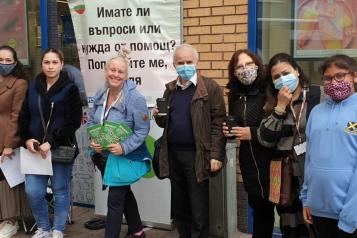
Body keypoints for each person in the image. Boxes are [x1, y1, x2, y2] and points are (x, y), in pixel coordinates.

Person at [154, 44, 226, 238]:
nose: (185, 65)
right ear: (174, 64)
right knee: (180, 209)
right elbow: (165, 123)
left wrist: (216, 154)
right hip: (173, 155)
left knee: (198, 210)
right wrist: (158, 116)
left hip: (198, 156)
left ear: (196, 62)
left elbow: (218, 123)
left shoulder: (210, 88)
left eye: (189, 62)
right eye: (180, 62)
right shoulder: (170, 90)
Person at [18, 48, 82, 238]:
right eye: (47, 62)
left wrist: (52, 142)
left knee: (60, 191)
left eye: (55, 62)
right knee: (33, 191)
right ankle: (44, 228)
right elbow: (24, 115)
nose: (51, 66)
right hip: (34, 150)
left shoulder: (70, 88)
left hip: (60, 148)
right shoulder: (33, 87)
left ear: (62, 64)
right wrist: (26, 138)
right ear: (42, 64)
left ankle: (58, 230)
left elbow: (74, 121)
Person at [257, 53, 322, 238]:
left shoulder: (318, 95)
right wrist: (280, 107)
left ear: (297, 72)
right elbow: (265, 139)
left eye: (286, 73)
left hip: (312, 170)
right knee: (291, 226)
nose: (282, 79)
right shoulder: (271, 101)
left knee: (316, 222)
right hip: (285, 173)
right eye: (276, 76)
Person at [87, 51, 150, 238]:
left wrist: (124, 147)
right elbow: (91, 121)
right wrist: (94, 140)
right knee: (123, 193)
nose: (115, 74)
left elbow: (142, 130)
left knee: (115, 201)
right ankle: (138, 231)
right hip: (105, 157)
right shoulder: (101, 93)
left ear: (126, 75)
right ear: (106, 71)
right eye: (112, 70)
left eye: (120, 71)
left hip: (125, 157)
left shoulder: (134, 98)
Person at [300, 54, 357, 238]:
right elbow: (310, 159)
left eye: (340, 76)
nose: (333, 82)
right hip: (319, 210)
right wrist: (306, 200)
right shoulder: (316, 112)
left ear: (354, 77)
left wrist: (350, 216)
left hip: (351, 214)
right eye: (327, 78)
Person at [222, 49, 275, 238]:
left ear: (257, 65)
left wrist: (252, 132)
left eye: (249, 64)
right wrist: (229, 130)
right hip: (248, 159)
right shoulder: (234, 94)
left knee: (277, 209)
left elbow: (279, 123)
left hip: (271, 157)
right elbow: (234, 121)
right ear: (234, 72)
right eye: (239, 66)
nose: (245, 69)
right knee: (258, 206)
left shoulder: (269, 89)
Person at [0, 45, 30, 238]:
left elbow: (16, 115)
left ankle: (10, 221)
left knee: (6, 182)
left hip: (6, 138)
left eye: (8, 61)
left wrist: (9, 144)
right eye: (0, 60)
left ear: (15, 62)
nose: (3, 64)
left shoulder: (20, 84)